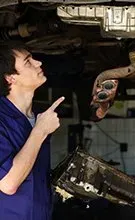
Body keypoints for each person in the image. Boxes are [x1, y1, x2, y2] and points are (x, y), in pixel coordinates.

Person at [0, 42, 65, 220]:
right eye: (28, 62)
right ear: (10, 78)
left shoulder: (36, 118)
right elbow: (8, 183)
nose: (39, 63)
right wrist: (40, 131)